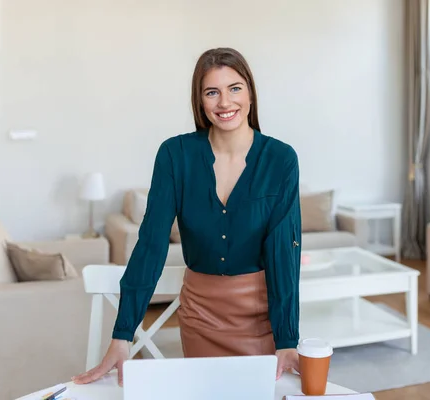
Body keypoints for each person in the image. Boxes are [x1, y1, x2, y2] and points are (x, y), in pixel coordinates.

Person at [72, 47, 302, 387]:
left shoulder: (281, 159)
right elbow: (150, 244)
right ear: (200, 101)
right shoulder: (174, 155)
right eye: (212, 92)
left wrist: (287, 339)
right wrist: (123, 335)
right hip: (200, 316)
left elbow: (284, 252)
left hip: (261, 318)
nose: (225, 102)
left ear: (250, 93)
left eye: (235, 88)